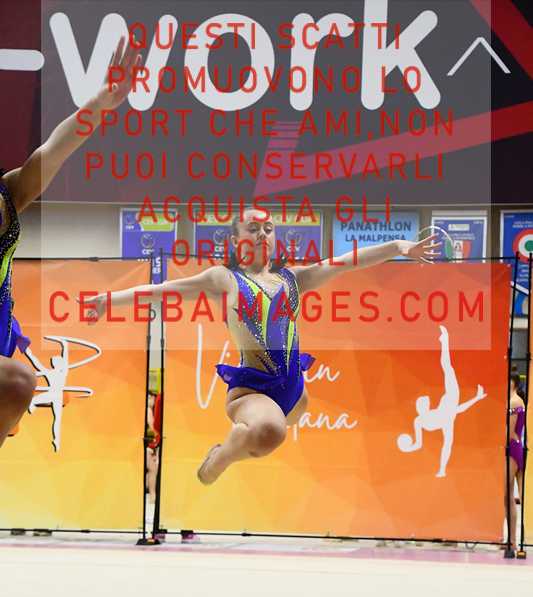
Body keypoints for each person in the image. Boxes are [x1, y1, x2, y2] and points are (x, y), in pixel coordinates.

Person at [85, 208, 440, 484]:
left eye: (268, 228)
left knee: (268, 435)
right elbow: (162, 291)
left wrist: (399, 246)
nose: (262, 234)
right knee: (269, 432)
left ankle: (244, 441)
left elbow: (346, 263)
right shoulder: (224, 279)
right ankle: (218, 460)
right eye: (252, 228)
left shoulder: (294, 278)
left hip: (294, 391)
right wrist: (108, 299)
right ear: (235, 239)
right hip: (253, 389)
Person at [0, 36, 140, 450]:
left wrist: (100, 103)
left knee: (15, 384)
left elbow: (55, 150)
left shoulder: (11, 192)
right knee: (18, 380)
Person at [397, 325, 487, 477]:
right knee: (447, 367)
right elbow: (459, 409)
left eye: (424, 402)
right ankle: (445, 340)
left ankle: (445, 340)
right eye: (423, 403)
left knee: (447, 367)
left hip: (448, 402)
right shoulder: (426, 419)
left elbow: (417, 444)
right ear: (421, 408)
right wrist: (476, 398)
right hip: (451, 397)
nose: (425, 402)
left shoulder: (421, 420)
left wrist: (407, 447)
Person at [505, 369, 526, 551]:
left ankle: (512, 541)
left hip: (512, 447)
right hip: (516, 446)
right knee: (509, 495)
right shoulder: (516, 401)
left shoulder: (513, 401)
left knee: (508, 494)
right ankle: (512, 540)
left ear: (514, 383)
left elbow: (510, 432)